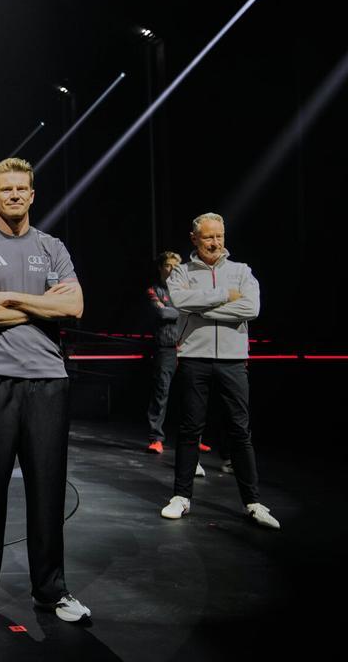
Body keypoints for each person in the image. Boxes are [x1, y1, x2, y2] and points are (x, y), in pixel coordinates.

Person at [0, 157, 91, 624]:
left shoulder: (51, 248)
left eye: (21, 189)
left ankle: (51, 591)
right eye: (5, 189)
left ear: (32, 195)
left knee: (47, 491)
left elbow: (75, 307)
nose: (13, 195)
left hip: (48, 380)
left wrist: (9, 299)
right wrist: (42, 306)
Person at [159, 213, 279, 529]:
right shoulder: (181, 272)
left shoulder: (241, 271)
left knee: (240, 431)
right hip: (194, 358)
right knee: (189, 430)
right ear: (194, 238)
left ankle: (252, 501)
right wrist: (226, 295)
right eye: (209, 237)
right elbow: (181, 302)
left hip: (233, 359)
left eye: (220, 236)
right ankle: (181, 497)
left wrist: (205, 306)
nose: (215, 243)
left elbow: (251, 308)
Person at [145, 251, 181, 454]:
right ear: (161, 267)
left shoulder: (186, 290)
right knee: (161, 392)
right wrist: (182, 311)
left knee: (191, 394)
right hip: (165, 348)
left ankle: (195, 438)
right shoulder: (154, 290)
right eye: (168, 265)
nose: (172, 270)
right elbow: (162, 312)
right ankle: (156, 438)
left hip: (187, 348)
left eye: (176, 266)